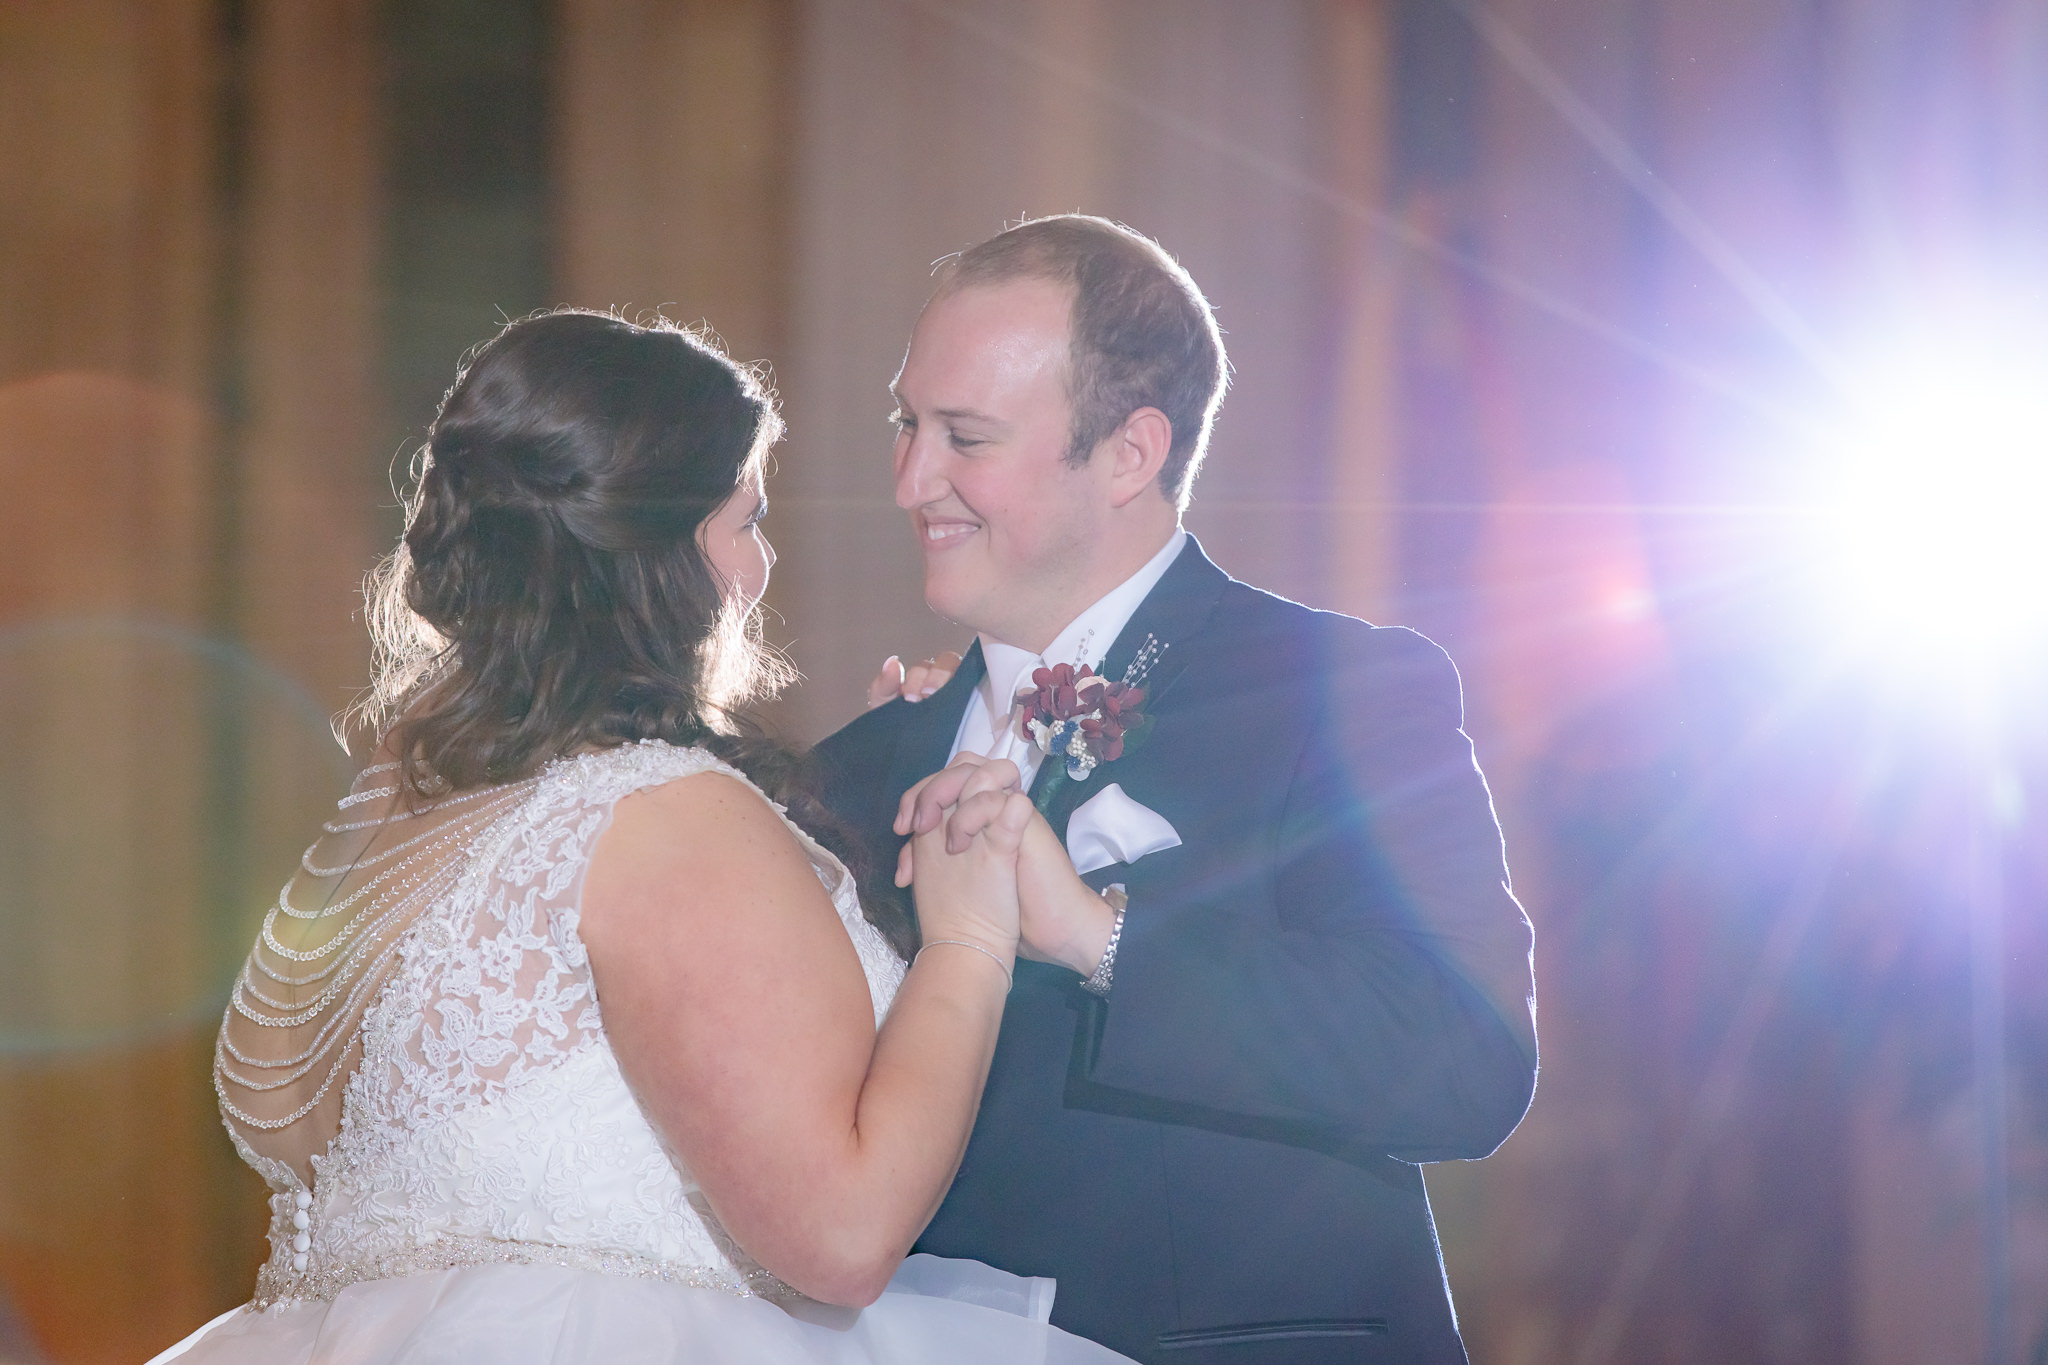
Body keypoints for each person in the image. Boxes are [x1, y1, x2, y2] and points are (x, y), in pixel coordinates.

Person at [149, 309, 1137, 1364]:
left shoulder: (392, 804)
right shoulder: (659, 815)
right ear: (661, 554)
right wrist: (967, 939)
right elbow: (843, 1240)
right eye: (744, 521)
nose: (758, 568)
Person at [816, 216, 1539, 1363]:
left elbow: (1465, 1060)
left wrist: (1102, 939)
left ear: (1128, 453)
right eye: (906, 424)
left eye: (966, 437)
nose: (912, 480)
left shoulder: (1336, 690)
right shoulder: (849, 772)